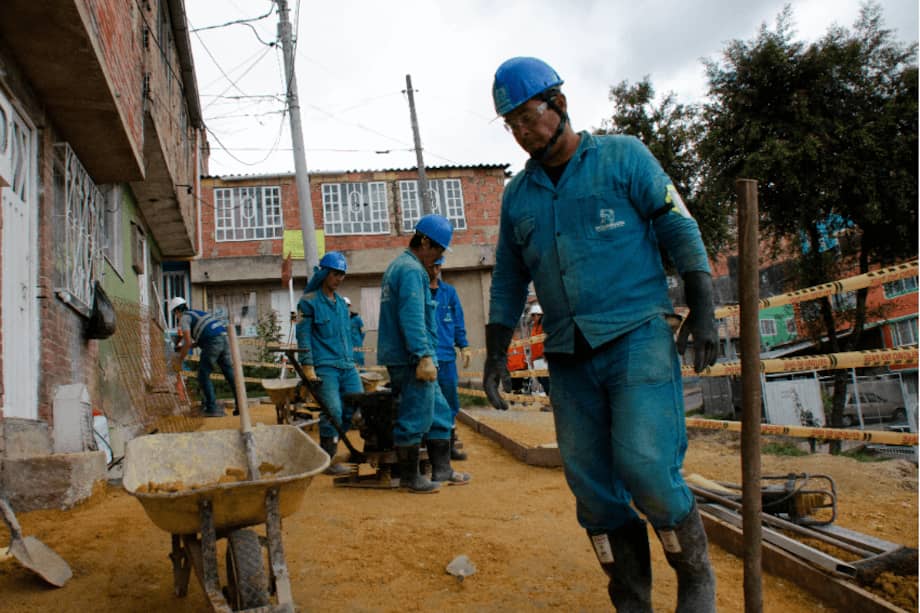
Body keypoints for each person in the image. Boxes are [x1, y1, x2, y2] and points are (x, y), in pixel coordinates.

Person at [484, 57, 720, 612]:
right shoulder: (518, 196)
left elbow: (678, 225)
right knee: (591, 491)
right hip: (568, 353)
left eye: (527, 117)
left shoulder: (623, 157)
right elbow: (509, 279)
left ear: (559, 104)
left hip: (637, 336)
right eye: (511, 125)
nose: (522, 132)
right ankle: (631, 600)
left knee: (645, 467)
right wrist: (496, 354)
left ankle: (695, 577)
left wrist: (704, 306)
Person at [378, 214, 470, 493]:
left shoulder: (404, 267)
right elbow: (413, 317)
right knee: (415, 414)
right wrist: (423, 356)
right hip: (411, 359)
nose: (440, 256)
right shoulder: (410, 270)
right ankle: (410, 477)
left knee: (439, 411)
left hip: (412, 356)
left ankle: (442, 469)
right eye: (439, 249)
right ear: (426, 242)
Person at [296, 251, 364, 476]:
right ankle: (328, 458)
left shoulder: (342, 305)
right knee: (332, 410)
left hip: (347, 365)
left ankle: (329, 450)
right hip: (325, 366)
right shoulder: (308, 303)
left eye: (342, 275)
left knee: (357, 404)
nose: (339, 279)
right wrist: (308, 366)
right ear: (324, 273)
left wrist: (354, 362)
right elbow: (303, 336)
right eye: (335, 274)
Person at [426, 256, 473, 461]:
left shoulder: (449, 293)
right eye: (432, 265)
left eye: (438, 265)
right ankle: (429, 446)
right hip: (425, 358)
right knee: (427, 402)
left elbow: (457, 321)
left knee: (450, 401)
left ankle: (449, 444)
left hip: (446, 357)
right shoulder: (418, 292)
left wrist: (464, 345)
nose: (435, 269)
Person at [169, 297, 238, 418]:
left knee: (203, 374)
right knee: (229, 373)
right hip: (224, 338)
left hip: (213, 341)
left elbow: (188, 341)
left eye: (175, 314)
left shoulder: (184, 318)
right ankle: (241, 404)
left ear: (176, 311)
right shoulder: (198, 313)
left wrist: (179, 360)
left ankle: (212, 408)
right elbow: (202, 338)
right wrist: (184, 346)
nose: (176, 317)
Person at [528, 303, 551, 399]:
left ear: (541, 315)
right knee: (540, 379)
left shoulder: (544, 325)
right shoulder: (533, 327)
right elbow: (532, 344)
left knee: (546, 379)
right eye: (533, 315)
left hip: (543, 357)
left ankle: (551, 400)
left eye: (537, 314)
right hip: (536, 358)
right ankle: (549, 399)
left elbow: (548, 339)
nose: (534, 317)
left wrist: (547, 353)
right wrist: (531, 359)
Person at [344, 296, 366, 368]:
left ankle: (362, 373)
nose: (345, 307)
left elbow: (363, 331)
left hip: (357, 345)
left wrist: (359, 341)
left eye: (347, 305)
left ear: (350, 306)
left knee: (360, 361)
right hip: (346, 346)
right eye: (343, 306)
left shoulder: (357, 318)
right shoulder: (341, 320)